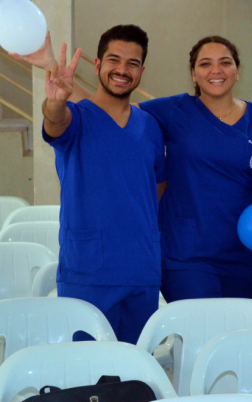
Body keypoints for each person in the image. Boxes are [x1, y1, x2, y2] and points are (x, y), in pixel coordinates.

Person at [17, 33, 252, 301]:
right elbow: (106, 108)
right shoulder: (173, 110)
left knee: (234, 332)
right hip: (187, 251)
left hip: (241, 248)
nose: (216, 70)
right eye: (205, 64)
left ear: (237, 71)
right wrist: (56, 84)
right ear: (193, 75)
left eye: (225, 62)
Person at [41, 25, 165, 344]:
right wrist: (54, 102)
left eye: (132, 63)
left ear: (141, 71)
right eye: (114, 60)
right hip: (89, 271)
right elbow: (55, 123)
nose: (122, 70)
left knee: (136, 373)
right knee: (88, 376)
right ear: (97, 65)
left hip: (141, 271)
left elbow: (156, 188)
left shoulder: (149, 125)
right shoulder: (77, 117)